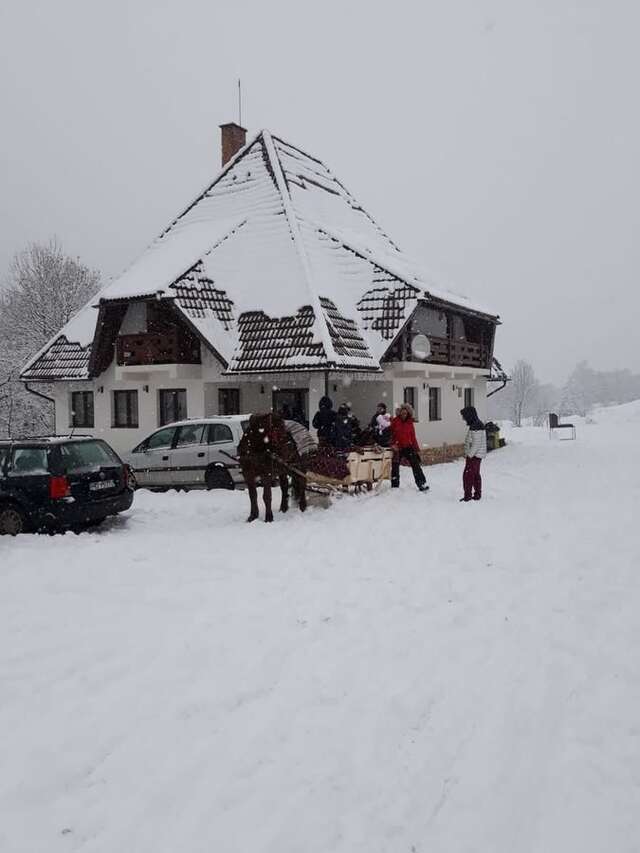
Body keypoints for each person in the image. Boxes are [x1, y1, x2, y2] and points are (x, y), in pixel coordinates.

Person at [390, 404, 429, 491]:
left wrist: (416, 449)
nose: (404, 415)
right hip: (397, 447)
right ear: (400, 413)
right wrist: (392, 444)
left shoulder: (410, 423)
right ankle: (395, 486)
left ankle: (421, 483)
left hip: (408, 447)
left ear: (408, 414)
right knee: (395, 466)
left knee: (415, 465)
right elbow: (390, 434)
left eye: (405, 413)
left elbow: (413, 437)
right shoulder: (395, 421)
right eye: (402, 413)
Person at [460, 405, 487, 501]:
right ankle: (477, 495)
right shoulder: (476, 424)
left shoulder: (476, 426)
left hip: (474, 456)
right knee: (475, 475)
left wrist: (469, 455)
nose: (463, 418)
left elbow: (476, 444)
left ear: (469, 415)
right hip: (476, 455)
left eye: (464, 416)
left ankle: (468, 496)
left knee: (468, 476)